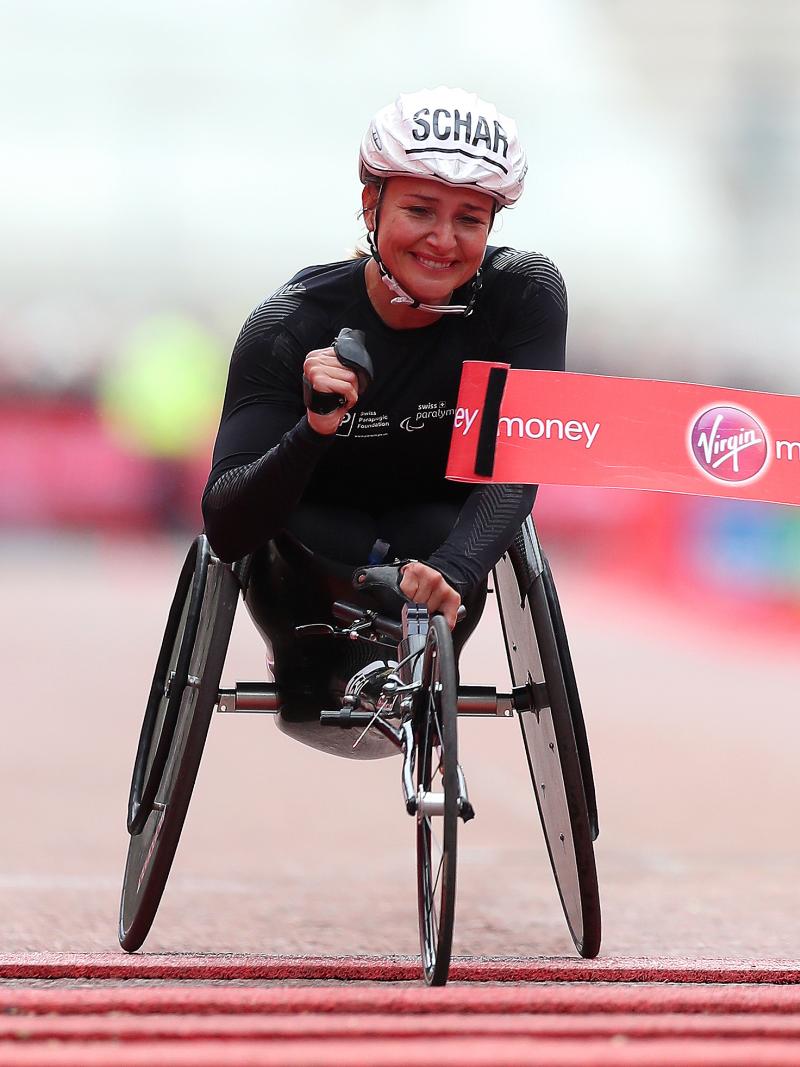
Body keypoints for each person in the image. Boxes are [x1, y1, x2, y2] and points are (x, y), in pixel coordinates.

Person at [202, 87, 567, 752]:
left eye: (470, 220)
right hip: (308, 570)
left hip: (439, 564)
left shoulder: (524, 296)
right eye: (420, 210)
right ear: (371, 204)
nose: (443, 240)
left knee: (434, 525)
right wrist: (312, 431)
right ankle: (324, 676)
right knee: (322, 527)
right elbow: (226, 527)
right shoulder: (290, 323)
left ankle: (409, 671)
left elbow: (522, 457)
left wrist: (455, 568)